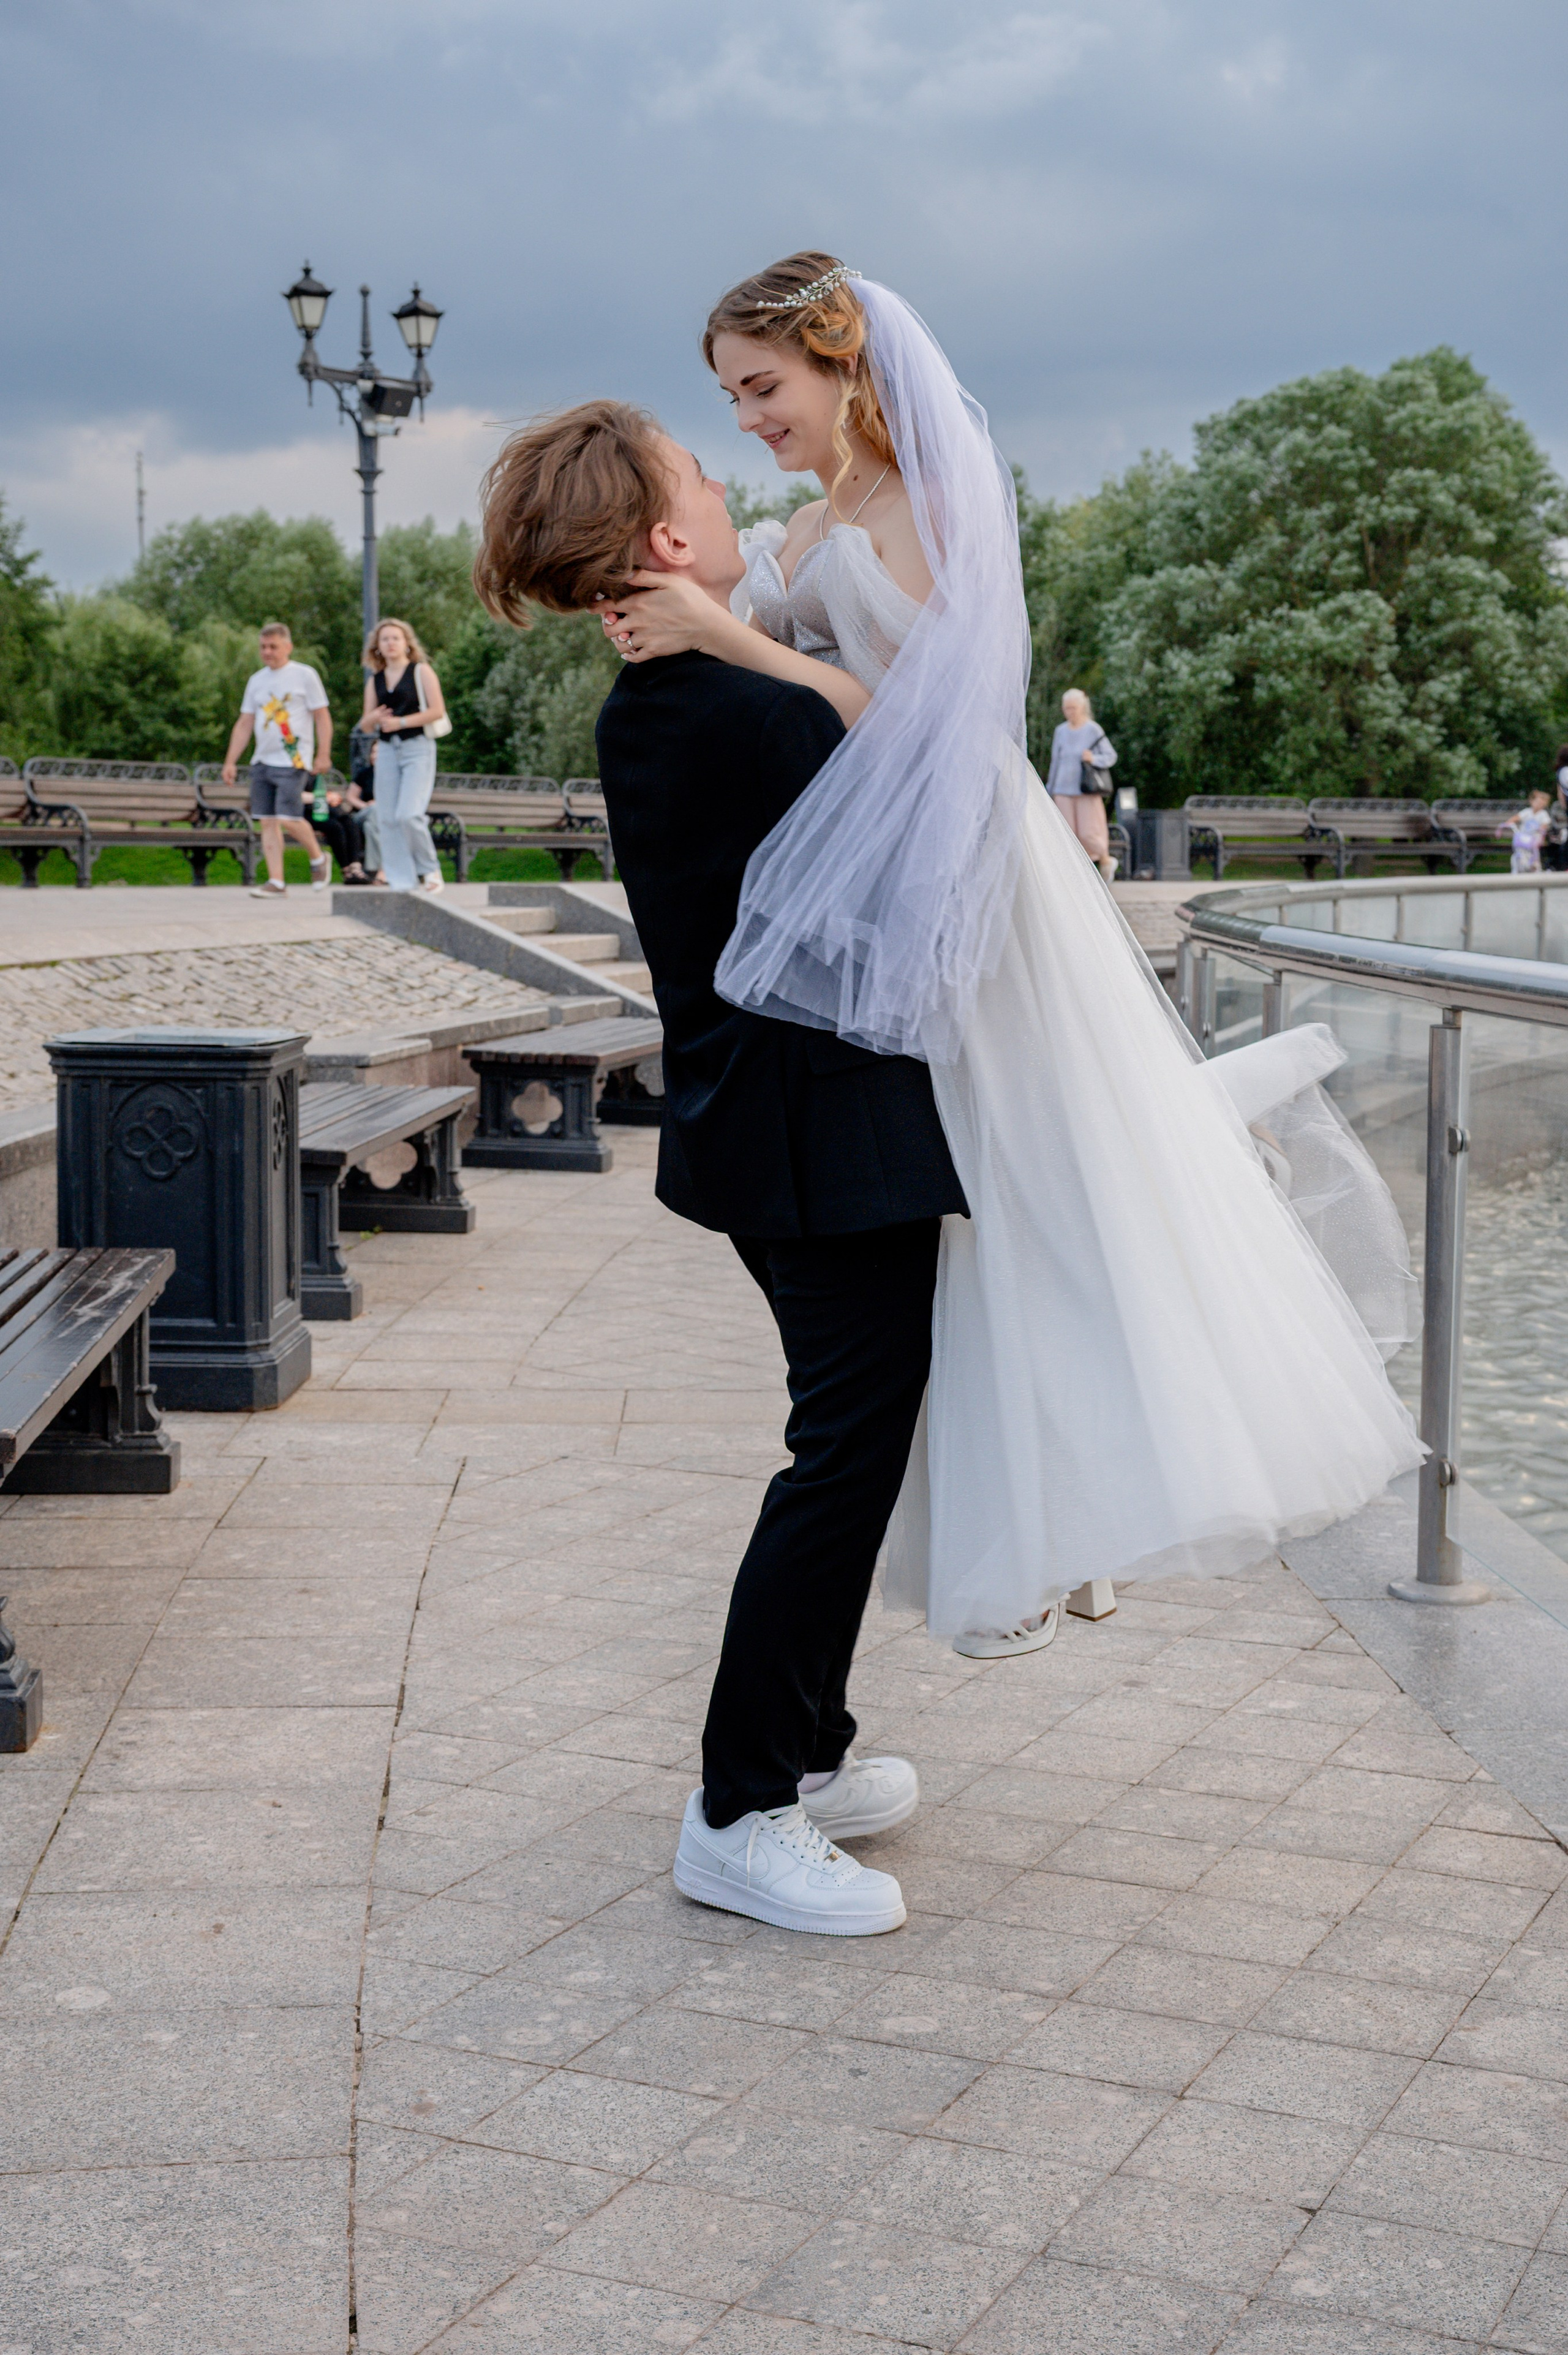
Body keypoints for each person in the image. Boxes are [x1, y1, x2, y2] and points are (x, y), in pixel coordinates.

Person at [594, 250, 1422, 1664]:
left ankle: (1077, 1505)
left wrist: (728, 631)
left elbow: (921, 726)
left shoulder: (932, 501)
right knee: (967, 1231)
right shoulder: (805, 524)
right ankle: (1040, 1516)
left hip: (970, 876)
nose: (745, 419)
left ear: (840, 359)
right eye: (727, 398)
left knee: (1053, 1188)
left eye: (761, 385)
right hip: (880, 899)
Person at [474, 399, 964, 1938]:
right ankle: (740, 1805)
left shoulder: (677, 696)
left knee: (850, 1437)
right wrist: (765, 642)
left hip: (783, 1121)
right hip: (811, 1137)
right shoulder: (735, 707)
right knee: (840, 1454)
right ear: (670, 545)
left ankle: (803, 1748)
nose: (731, 472)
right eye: (702, 469)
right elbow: (920, 755)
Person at [221, 623, 332, 898]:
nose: (267, 652)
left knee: (289, 817)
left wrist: (323, 753)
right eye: (263, 647)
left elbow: (322, 717)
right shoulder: (257, 680)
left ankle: (318, 859)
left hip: (293, 759)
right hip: (263, 760)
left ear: (288, 647)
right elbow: (245, 722)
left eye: (273, 647)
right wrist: (231, 761)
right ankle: (277, 882)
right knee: (267, 820)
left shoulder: (305, 675)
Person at [361, 619, 447, 892]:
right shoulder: (375, 680)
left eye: (395, 638)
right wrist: (373, 718)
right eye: (385, 639)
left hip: (416, 747)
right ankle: (401, 882)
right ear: (378, 646)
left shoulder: (421, 672)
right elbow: (364, 725)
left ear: (407, 642)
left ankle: (430, 870)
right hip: (386, 750)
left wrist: (401, 722)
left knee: (409, 814)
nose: (390, 643)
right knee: (387, 817)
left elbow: (437, 711)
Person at [1046, 689, 1118, 883]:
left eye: (1073, 708)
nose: (1070, 712)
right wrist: (1049, 789)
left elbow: (1111, 756)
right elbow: (1055, 761)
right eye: (1066, 708)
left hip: (1086, 790)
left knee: (1089, 832)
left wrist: (1093, 758)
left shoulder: (1093, 729)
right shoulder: (1060, 731)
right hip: (1062, 789)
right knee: (1068, 835)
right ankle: (1077, 877)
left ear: (1083, 707)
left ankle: (1105, 860)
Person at [1500, 785, 1555, 874]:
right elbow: (1517, 817)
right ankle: (1519, 867)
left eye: (1541, 803)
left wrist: (1542, 828)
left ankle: (1535, 866)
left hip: (1535, 838)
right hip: (1524, 837)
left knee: (1534, 851)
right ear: (1532, 801)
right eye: (1537, 802)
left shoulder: (1543, 814)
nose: (1538, 805)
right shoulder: (1527, 812)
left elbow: (1545, 824)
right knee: (1519, 850)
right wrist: (1508, 823)